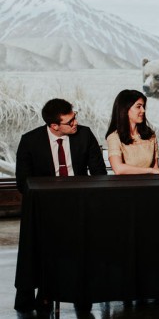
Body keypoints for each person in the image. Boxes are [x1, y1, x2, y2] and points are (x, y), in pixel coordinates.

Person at [14, 98, 105, 314]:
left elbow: (99, 173)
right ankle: (42, 291)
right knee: (41, 239)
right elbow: (22, 182)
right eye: (70, 121)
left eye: (75, 117)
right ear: (54, 126)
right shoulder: (30, 141)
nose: (76, 123)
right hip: (46, 206)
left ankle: (83, 290)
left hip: (80, 203)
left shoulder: (85, 134)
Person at [106, 89, 159, 175]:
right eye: (138, 106)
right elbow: (118, 169)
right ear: (125, 110)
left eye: (143, 106)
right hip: (127, 186)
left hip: (150, 185)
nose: (143, 110)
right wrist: (150, 170)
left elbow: (156, 170)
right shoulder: (114, 137)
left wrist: (153, 171)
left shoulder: (150, 135)